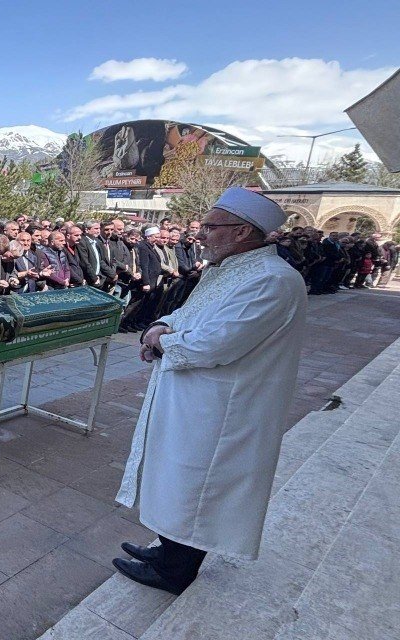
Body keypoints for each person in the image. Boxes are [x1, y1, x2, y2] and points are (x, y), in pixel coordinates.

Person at [116, 189, 307, 594]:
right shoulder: (229, 269)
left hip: (221, 412)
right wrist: (160, 327)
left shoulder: (271, 280)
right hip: (194, 402)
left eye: (209, 227)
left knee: (199, 489)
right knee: (177, 480)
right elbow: (188, 315)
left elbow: (215, 343)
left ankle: (175, 572)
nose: (200, 234)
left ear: (241, 232)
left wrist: (161, 342)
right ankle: (167, 550)